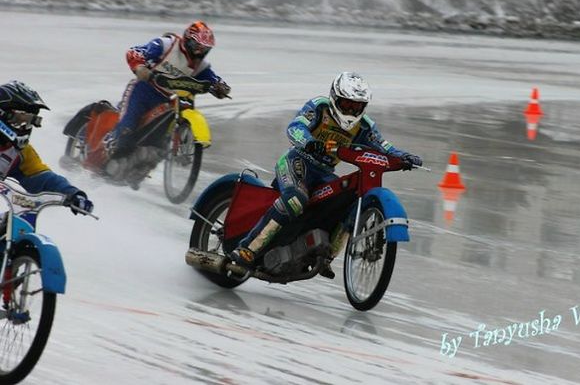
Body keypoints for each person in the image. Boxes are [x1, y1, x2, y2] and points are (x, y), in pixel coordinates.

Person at [230, 72, 422, 278]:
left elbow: (384, 147)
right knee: (296, 200)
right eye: (346, 104)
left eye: (356, 106)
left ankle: (326, 255)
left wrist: (405, 157)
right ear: (334, 98)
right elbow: (295, 127)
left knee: (346, 203)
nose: (351, 110)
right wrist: (309, 142)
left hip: (324, 172)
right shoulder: (319, 106)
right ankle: (248, 248)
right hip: (297, 161)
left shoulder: (365, 126)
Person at [105, 20, 231, 174]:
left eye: (204, 49)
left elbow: (213, 79)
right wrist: (140, 67)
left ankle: (137, 164)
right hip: (144, 91)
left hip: (169, 101)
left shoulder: (201, 65)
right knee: (128, 125)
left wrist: (220, 87)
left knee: (161, 143)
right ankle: (111, 141)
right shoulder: (167, 44)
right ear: (188, 40)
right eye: (197, 47)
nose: (200, 52)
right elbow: (135, 51)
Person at [0, 81, 94, 214]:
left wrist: (72, 194)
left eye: (29, 122)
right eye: (20, 119)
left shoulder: (20, 153)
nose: (24, 127)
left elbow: (42, 178)